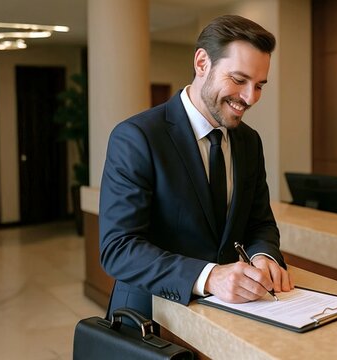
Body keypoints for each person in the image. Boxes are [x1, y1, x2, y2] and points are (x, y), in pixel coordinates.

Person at [99, 15, 293, 319]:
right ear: (202, 63)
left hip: (230, 318)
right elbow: (119, 248)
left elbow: (259, 223)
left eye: (259, 86)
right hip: (152, 321)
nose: (250, 97)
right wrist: (209, 276)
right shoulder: (137, 137)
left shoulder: (249, 141)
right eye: (239, 80)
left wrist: (263, 255)